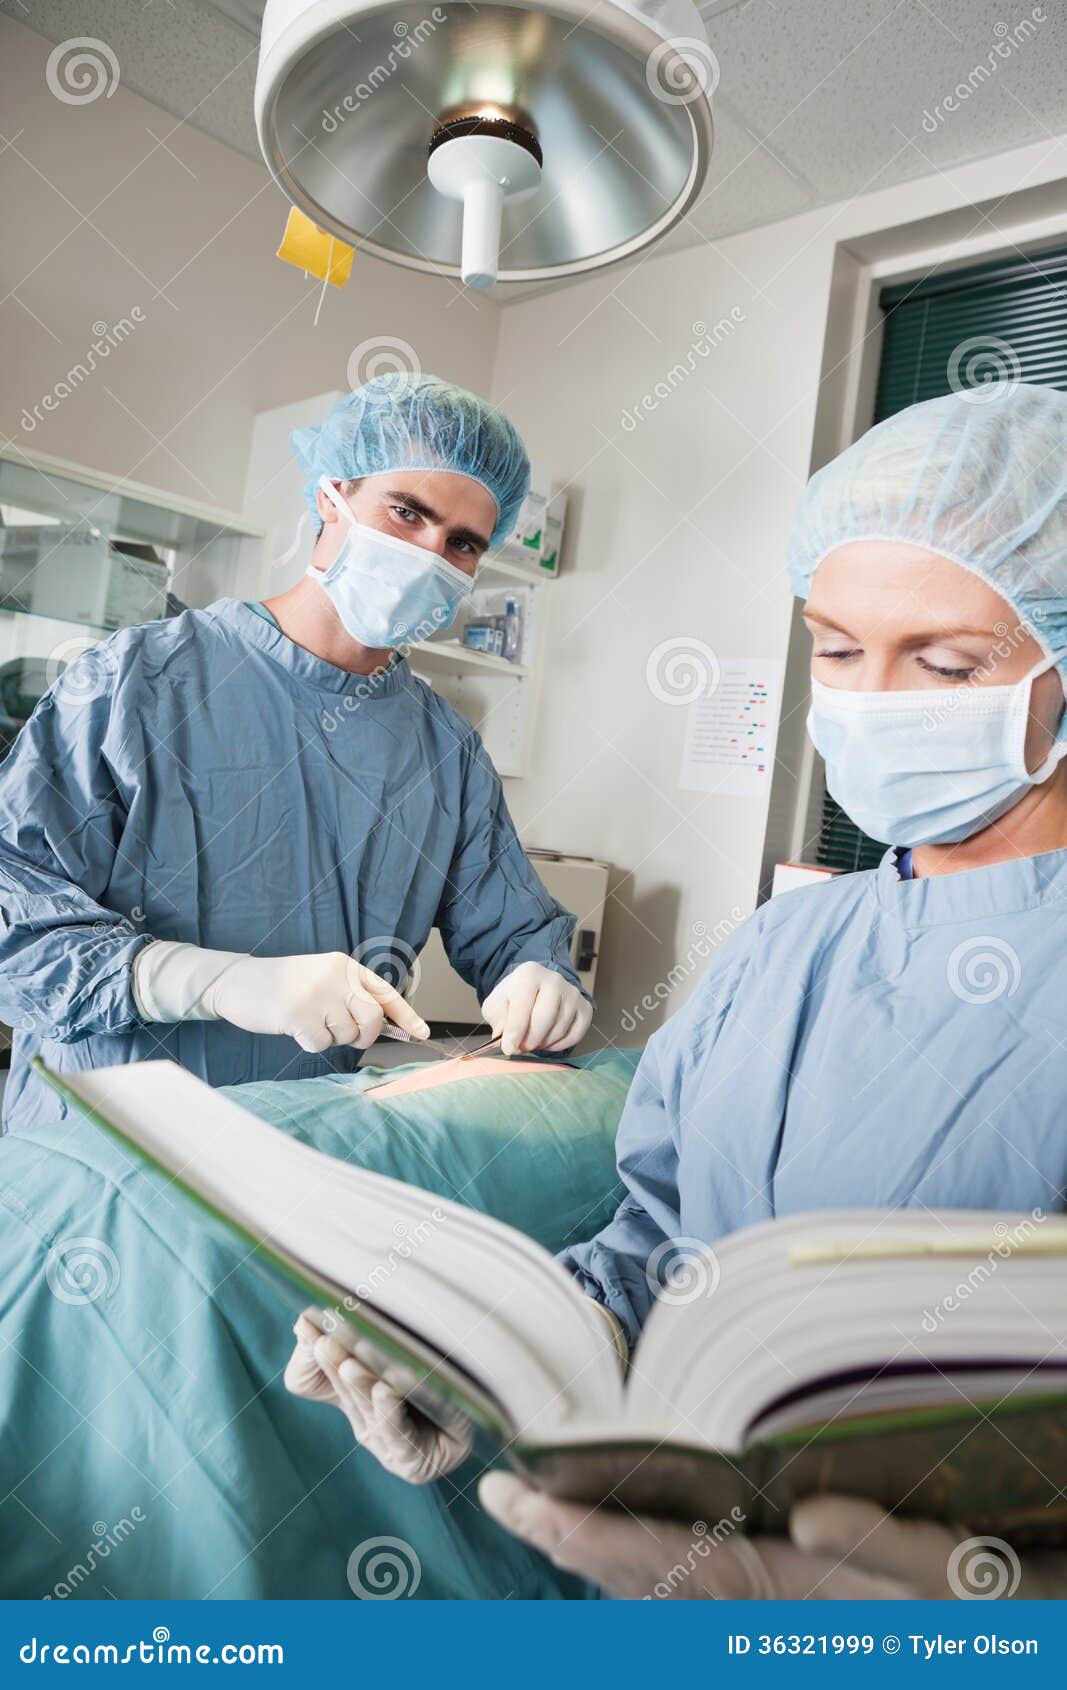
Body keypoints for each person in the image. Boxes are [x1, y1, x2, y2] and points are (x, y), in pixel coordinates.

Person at [286, 383, 1067, 1598]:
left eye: (947, 661)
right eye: (837, 650)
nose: (869, 699)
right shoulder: (783, 948)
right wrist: (493, 1352)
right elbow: (659, 1247)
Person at [0, 374, 591, 1135]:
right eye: (407, 511)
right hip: (97, 1145)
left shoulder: (445, 751)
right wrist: (208, 981)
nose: (429, 552)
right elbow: (15, 913)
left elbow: (510, 924)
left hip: (300, 1145)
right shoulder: (140, 681)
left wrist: (536, 975)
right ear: (331, 495)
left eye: (462, 543)